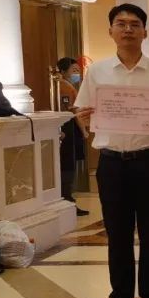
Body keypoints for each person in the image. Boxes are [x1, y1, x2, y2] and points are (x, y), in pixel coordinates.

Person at [74, 3, 149, 298]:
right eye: (121, 23)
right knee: (118, 234)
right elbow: (83, 113)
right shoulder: (97, 72)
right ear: (110, 31)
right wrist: (84, 118)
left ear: (145, 32)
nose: (128, 29)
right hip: (112, 164)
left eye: (135, 24)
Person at [56, 57, 88, 216]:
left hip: (68, 128)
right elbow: (74, 112)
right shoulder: (65, 87)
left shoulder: (66, 86)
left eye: (78, 70)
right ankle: (67, 201)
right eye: (74, 70)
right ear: (62, 71)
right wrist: (84, 131)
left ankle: (68, 200)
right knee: (68, 165)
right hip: (68, 129)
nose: (77, 74)